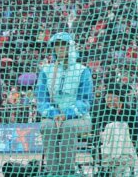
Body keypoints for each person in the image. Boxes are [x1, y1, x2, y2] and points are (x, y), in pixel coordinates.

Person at [35, 32, 93, 176]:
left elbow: (85, 101)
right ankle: (53, 171)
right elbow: (41, 99)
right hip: (53, 117)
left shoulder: (82, 70)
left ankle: (67, 171)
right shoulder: (46, 70)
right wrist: (53, 114)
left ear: (70, 46)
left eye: (63, 44)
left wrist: (67, 115)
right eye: (56, 45)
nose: (60, 48)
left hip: (79, 119)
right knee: (47, 126)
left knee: (68, 127)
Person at [91, 81, 138, 176]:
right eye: (107, 97)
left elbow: (134, 134)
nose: (109, 100)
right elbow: (95, 128)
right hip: (106, 146)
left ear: (119, 97)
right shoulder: (101, 110)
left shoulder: (130, 111)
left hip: (126, 147)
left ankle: (123, 163)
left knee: (121, 128)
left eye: (112, 97)